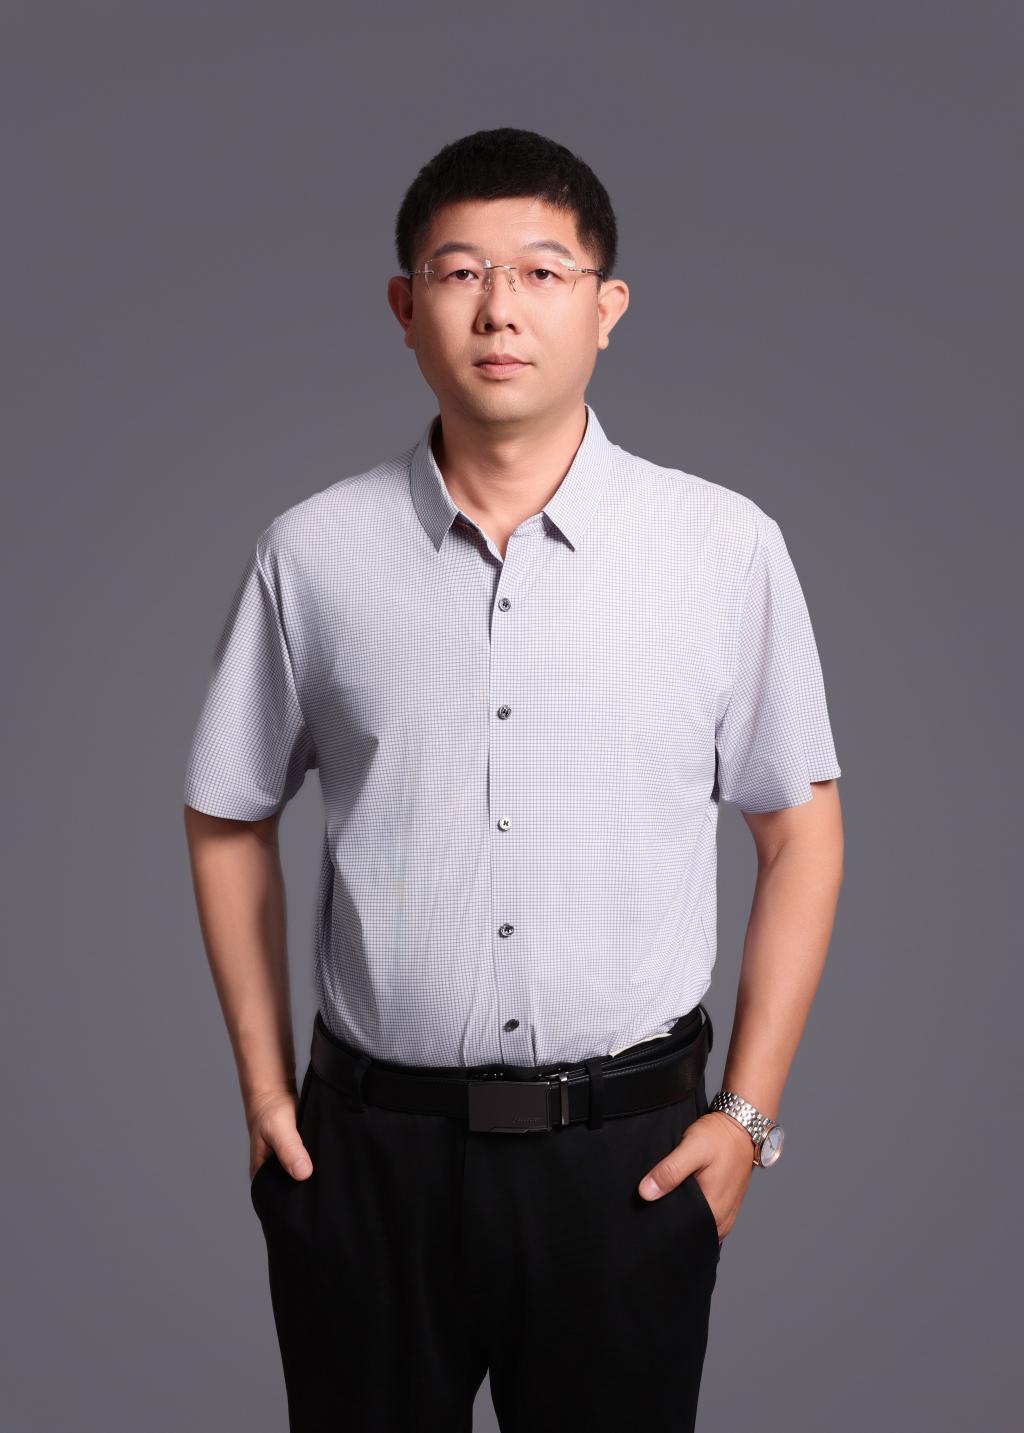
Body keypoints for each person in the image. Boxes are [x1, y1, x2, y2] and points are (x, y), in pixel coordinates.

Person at [182, 126, 844, 1433]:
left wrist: (748, 1117)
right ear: (405, 307)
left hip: (629, 1163)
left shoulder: (721, 549)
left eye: (543, 272)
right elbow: (227, 814)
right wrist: (263, 1093)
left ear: (607, 307)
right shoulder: (312, 554)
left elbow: (801, 832)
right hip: (366, 1159)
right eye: (459, 272)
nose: (499, 308)